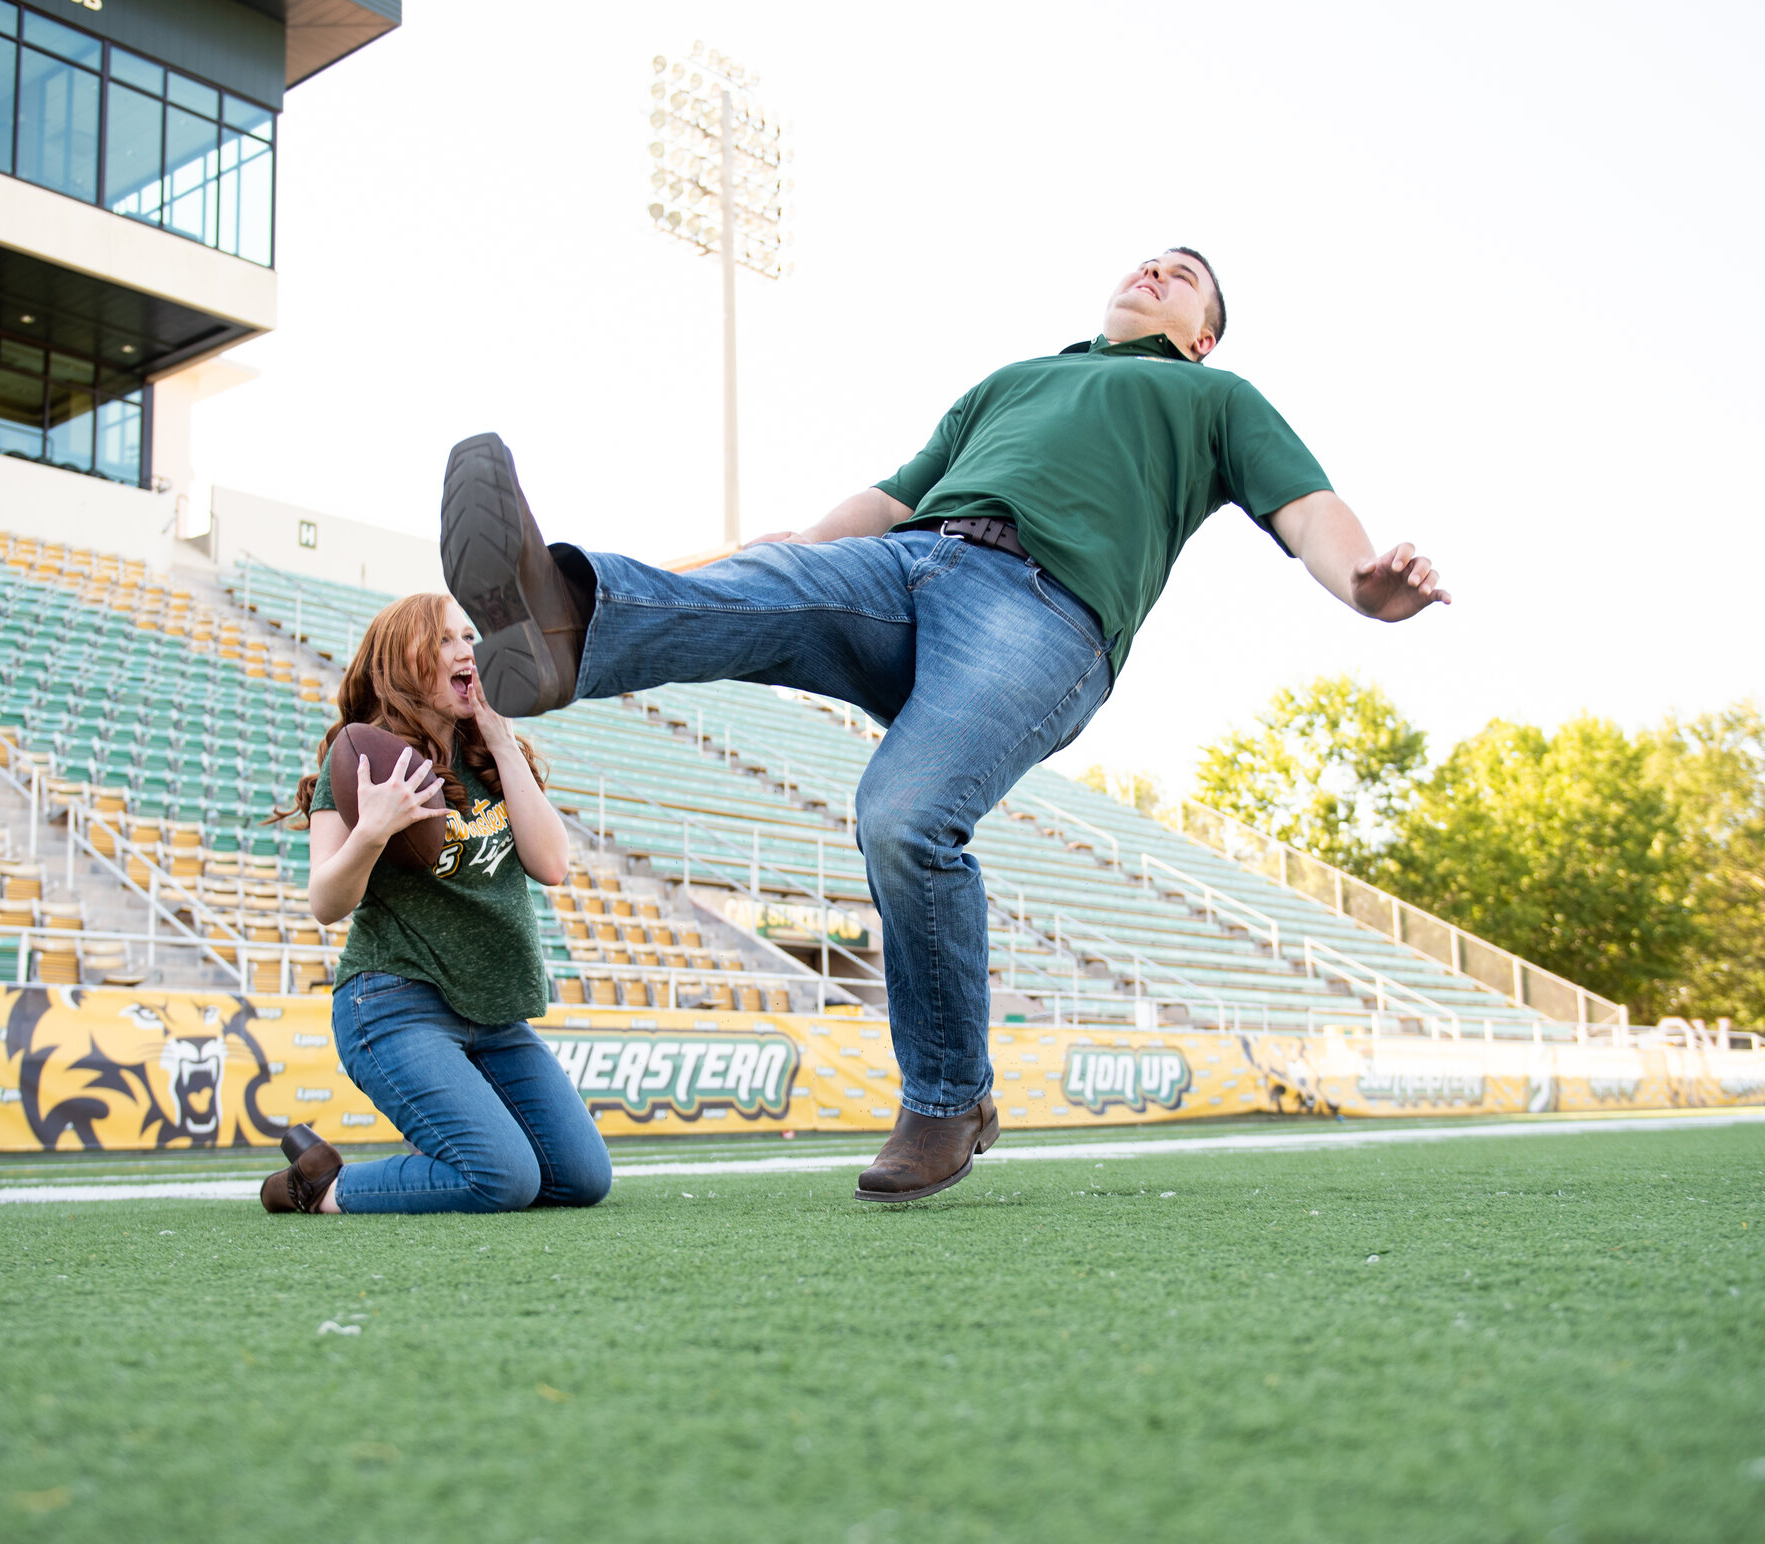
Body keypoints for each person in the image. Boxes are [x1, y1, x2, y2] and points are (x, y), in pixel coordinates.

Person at [438, 248, 1447, 1205]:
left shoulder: (1211, 399)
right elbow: (890, 496)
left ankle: (947, 1098)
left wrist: (1362, 585)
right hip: (904, 564)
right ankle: (569, 619)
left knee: (903, 813)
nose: (1153, 271)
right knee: (766, 589)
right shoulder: (1010, 382)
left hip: (1043, 611)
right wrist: (797, 550)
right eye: (1145, 259)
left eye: (1183, 277)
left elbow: (1310, 511)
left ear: (1201, 337)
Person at [259, 592, 610, 1217]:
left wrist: (503, 744)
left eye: (470, 638)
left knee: (582, 1178)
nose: (467, 650)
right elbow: (325, 902)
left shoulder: (492, 757)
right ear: (402, 662)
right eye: (446, 639)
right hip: (396, 1003)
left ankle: (449, 1167)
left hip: (494, 1010)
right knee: (501, 1180)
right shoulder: (364, 759)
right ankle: (322, 1188)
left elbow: (552, 866)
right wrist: (372, 830)